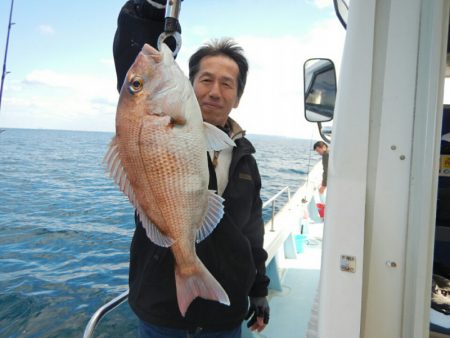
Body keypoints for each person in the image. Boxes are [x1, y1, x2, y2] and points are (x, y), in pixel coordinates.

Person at [113, 1, 270, 337]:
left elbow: (253, 232)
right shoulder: (153, 117)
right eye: (206, 79)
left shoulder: (246, 160)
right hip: (160, 312)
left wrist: (258, 290)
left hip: (224, 315)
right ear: (189, 81)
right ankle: (187, 268)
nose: (215, 92)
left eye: (227, 84)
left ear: (237, 97)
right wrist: (152, 11)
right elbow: (133, 71)